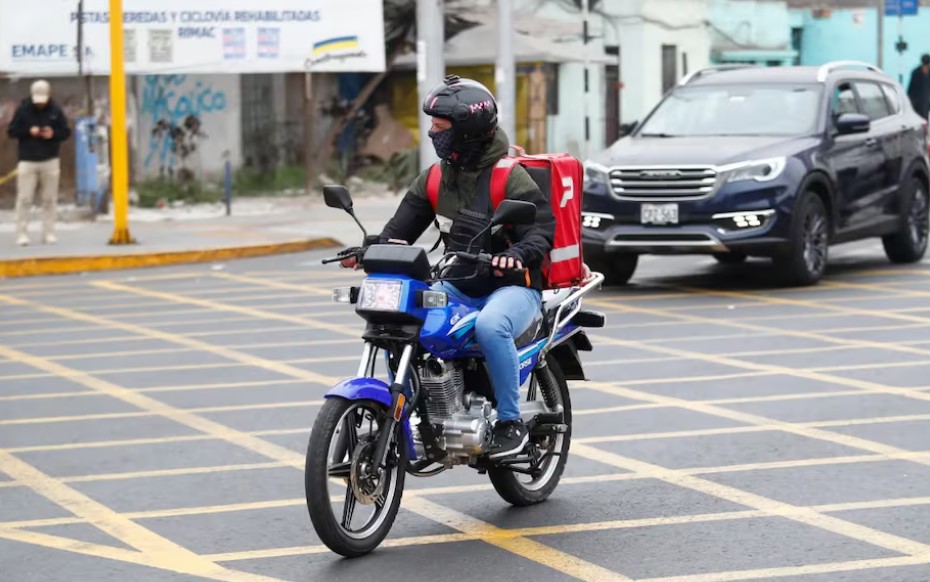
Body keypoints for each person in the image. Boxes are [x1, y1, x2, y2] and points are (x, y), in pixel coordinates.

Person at [341, 75, 556, 459]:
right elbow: (397, 234)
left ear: (468, 132)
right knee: (400, 322)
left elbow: (541, 233)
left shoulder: (508, 176)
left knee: (492, 326)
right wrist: (366, 250)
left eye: (440, 127)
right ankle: (411, 414)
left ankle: (511, 423)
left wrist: (517, 255)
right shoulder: (437, 177)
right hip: (457, 283)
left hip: (512, 287)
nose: (432, 133)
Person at [6, 80, 71, 246]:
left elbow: (65, 132)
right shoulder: (24, 109)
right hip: (27, 160)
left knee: (49, 199)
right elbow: (12, 131)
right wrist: (29, 131)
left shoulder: (56, 110)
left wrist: (53, 133)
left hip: (50, 160)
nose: (40, 104)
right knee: (24, 199)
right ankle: (22, 234)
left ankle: (48, 233)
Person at [907, 54, 930, 120]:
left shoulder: (916, 72)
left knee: (924, 119)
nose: (925, 67)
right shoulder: (916, 73)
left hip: (925, 102)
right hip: (916, 102)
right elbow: (911, 89)